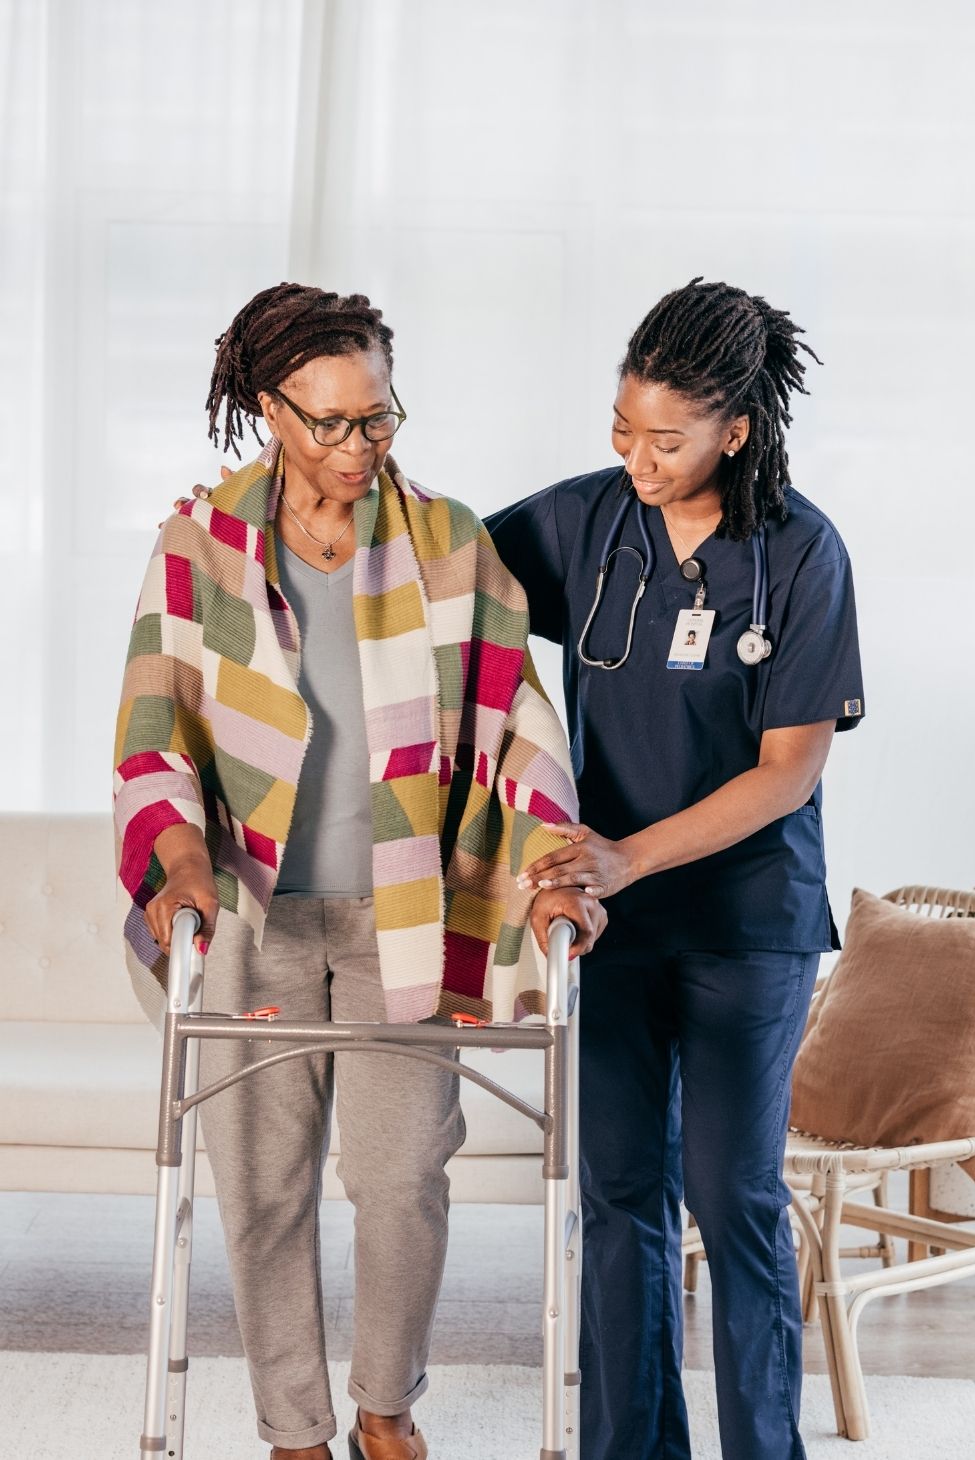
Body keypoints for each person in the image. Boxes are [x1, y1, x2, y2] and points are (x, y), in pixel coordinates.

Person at [114, 283, 605, 1460]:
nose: (356, 445)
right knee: (263, 1188)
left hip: (403, 913)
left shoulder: (448, 542)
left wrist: (552, 867)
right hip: (250, 914)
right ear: (265, 407)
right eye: (328, 421)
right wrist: (175, 854)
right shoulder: (201, 544)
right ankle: (294, 1431)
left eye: (377, 417)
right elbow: (151, 732)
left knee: (398, 1181)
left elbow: (516, 723)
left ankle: (386, 1405)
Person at [484, 278, 865, 1460]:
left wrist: (623, 856)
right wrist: (263, 512)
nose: (636, 459)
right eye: (620, 429)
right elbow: (437, 575)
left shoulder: (802, 553)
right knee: (615, 1203)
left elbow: (787, 770)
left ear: (734, 431)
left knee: (733, 1198)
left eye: (665, 438)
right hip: (609, 926)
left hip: (748, 925)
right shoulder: (585, 523)